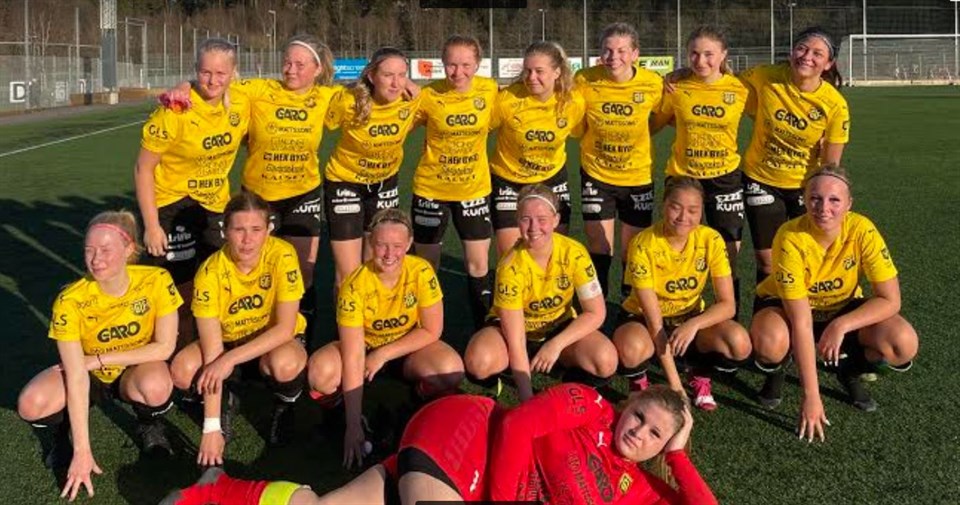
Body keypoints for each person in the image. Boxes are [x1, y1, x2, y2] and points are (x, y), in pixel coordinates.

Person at [161, 384, 717, 505]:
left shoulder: (639, 487)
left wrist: (679, 456)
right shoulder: (589, 404)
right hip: (464, 436)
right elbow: (517, 427)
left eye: (654, 434)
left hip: (465, 487)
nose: (638, 432)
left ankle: (214, 489)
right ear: (628, 404)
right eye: (639, 417)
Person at [159, 35, 338, 331]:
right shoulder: (259, 90)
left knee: (303, 272)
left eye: (299, 64)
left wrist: (407, 84)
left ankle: (299, 339)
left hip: (303, 195)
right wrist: (185, 86)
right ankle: (252, 332)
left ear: (317, 69)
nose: (290, 69)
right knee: (253, 269)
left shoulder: (327, 97)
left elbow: (366, 95)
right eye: (287, 62)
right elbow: (216, 81)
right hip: (258, 198)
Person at [17, 211, 182, 501]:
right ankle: (62, 436)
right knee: (31, 404)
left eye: (105, 250)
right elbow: (76, 374)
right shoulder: (70, 300)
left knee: (156, 385)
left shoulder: (156, 280)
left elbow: (165, 347)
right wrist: (83, 451)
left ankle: (148, 424)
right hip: (89, 373)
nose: (95, 259)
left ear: (129, 249)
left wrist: (100, 359)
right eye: (89, 250)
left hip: (132, 369)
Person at [750, 166, 918, 442]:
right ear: (804, 199)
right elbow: (802, 320)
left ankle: (848, 372)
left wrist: (841, 325)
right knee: (770, 342)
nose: (823, 208)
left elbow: (891, 300)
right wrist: (811, 396)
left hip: (842, 306)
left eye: (834, 200)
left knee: (903, 343)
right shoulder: (790, 236)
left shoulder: (862, 229)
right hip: (789, 309)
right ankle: (779, 369)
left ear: (849, 204)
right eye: (815, 198)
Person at [307, 208, 464, 469]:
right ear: (370, 242)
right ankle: (341, 416)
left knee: (450, 369)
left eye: (397, 246)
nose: (389, 254)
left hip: (405, 350)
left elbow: (432, 330)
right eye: (381, 245)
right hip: (364, 349)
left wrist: (383, 354)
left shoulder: (421, 271)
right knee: (320, 373)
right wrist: (353, 425)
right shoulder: (354, 285)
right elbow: (353, 353)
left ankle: (417, 406)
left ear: (409, 244)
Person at [169, 192, 308, 464]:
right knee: (182, 371)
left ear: (268, 229)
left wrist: (228, 360)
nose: (247, 239)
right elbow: (213, 350)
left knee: (285, 364)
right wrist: (211, 428)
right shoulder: (209, 272)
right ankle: (225, 401)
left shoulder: (282, 254)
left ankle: (285, 405)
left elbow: (285, 328)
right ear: (224, 231)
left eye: (256, 229)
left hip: (272, 342)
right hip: (227, 342)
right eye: (239, 230)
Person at [135, 38, 250, 344]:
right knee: (180, 295)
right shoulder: (175, 110)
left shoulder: (242, 101)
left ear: (233, 73)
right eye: (204, 72)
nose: (212, 80)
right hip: (170, 207)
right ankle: (176, 358)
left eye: (221, 73)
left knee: (219, 285)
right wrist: (152, 226)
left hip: (214, 206)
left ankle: (218, 353)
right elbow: (143, 169)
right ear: (195, 70)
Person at [463, 184, 617, 401]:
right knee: (479, 362)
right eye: (526, 219)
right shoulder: (510, 267)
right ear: (517, 221)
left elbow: (596, 313)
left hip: (558, 326)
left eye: (542, 219)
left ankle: (566, 378)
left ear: (556, 220)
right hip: (515, 333)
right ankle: (499, 379)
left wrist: (556, 344)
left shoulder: (575, 253)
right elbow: (516, 340)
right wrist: (527, 400)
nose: (534, 227)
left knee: (605, 360)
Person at [614, 177, 752, 411]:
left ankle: (699, 373)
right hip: (644, 320)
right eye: (675, 207)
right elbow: (655, 322)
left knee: (738, 342)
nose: (683, 217)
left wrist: (694, 324)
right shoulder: (643, 244)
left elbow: (728, 305)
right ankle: (639, 383)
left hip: (688, 316)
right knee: (632, 347)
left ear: (701, 212)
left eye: (692, 210)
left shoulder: (711, 239)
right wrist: (676, 388)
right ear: (663, 206)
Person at [739, 27, 850, 287]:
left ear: (828, 64)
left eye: (817, 54)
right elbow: (722, 82)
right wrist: (682, 74)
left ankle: (807, 308)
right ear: (791, 52)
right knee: (768, 261)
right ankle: (767, 310)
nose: (807, 57)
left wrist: (825, 198)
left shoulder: (835, 105)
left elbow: (831, 165)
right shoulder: (766, 76)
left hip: (805, 186)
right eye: (802, 48)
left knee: (808, 256)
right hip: (761, 180)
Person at [655, 26, 749, 315]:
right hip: (684, 177)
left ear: (723, 55)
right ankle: (672, 314)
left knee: (728, 255)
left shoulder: (741, 89)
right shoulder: (676, 87)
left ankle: (729, 318)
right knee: (675, 248)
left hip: (725, 178)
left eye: (709, 54)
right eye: (694, 54)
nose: (701, 60)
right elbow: (655, 123)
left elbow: (770, 113)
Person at [411, 35, 500, 329]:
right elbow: (399, 119)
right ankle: (420, 330)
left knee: (478, 265)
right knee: (426, 267)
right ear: (442, 64)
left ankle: (485, 330)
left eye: (465, 65)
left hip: (473, 191)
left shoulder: (490, 90)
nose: (457, 72)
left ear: (477, 64)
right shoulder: (428, 95)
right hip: (430, 190)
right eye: (451, 65)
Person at [575, 22, 664, 298]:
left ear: (635, 54)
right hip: (596, 175)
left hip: (637, 178)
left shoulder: (652, 83)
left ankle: (629, 305)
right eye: (608, 50)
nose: (614, 57)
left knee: (632, 249)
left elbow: (661, 117)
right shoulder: (584, 79)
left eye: (622, 50)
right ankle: (597, 306)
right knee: (599, 245)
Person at [324, 47, 421, 290]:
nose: (396, 83)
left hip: (384, 184)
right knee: (348, 274)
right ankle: (345, 315)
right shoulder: (349, 101)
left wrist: (408, 83)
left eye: (402, 75)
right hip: (344, 183)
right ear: (371, 76)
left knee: (376, 266)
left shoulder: (412, 101)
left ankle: (372, 314)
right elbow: (318, 115)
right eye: (388, 75)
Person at [489, 41, 586, 256]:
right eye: (528, 70)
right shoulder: (506, 100)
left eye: (539, 71)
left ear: (557, 72)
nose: (531, 77)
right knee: (510, 254)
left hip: (551, 179)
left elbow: (581, 132)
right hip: (508, 180)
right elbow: (479, 130)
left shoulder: (573, 102)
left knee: (552, 250)